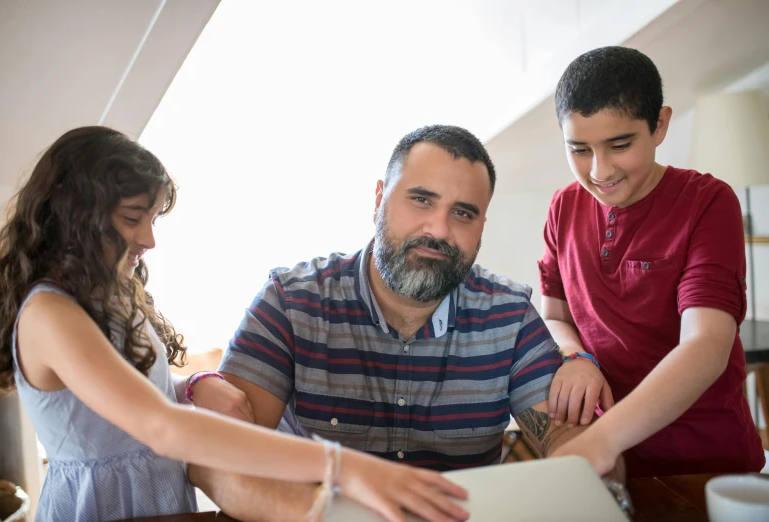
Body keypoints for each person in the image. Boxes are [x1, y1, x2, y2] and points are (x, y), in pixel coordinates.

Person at [0, 126, 469, 522]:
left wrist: (192, 385)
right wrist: (343, 466)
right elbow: (159, 427)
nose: (149, 239)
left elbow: (129, 389)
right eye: (134, 217)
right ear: (75, 212)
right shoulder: (48, 314)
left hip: (160, 500)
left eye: (153, 218)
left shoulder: (109, 293)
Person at [188, 125, 625, 522]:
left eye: (463, 213)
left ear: (482, 226)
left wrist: (591, 482)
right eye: (421, 200)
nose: (438, 229)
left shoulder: (509, 316)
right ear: (379, 199)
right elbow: (215, 459)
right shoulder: (291, 302)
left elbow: (579, 447)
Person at [539, 46, 765, 477]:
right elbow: (554, 316)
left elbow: (707, 344)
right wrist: (575, 357)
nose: (599, 170)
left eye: (619, 145)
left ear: (659, 124)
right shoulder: (563, 207)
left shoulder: (708, 202)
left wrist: (599, 442)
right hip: (613, 464)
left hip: (705, 463)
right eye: (579, 149)